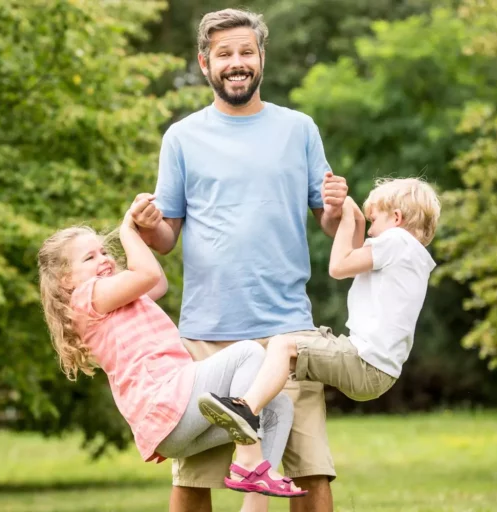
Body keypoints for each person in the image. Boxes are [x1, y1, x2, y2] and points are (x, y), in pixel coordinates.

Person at [129, 8, 347, 512]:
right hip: (209, 336)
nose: (237, 63)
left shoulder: (300, 129)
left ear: (261, 58)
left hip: (288, 334)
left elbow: (330, 224)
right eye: (224, 54)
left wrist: (336, 209)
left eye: (246, 52)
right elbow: (166, 238)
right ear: (204, 64)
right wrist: (145, 222)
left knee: (311, 472)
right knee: (194, 479)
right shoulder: (182, 137)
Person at [37, 207, 308, 501]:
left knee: (277, 407)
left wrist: (138, 236)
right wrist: (127, 231)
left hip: (175, 422)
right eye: (90, 257)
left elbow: (157, 282)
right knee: (248, 353)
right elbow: (149, 274)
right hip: (166, 403)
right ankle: (248, 461)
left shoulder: (113, 296)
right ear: (65, 280)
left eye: (104, 252)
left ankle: (254, 501)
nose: (104, 259)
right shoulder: (87, 297)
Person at [197, 178, 441, 442]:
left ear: (396, 218)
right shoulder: (410, 255)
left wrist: (348, 218)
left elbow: (339, 267)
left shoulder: (396, 242)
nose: (371, 232)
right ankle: (254, 429)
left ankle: (246, 410)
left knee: (282, 346)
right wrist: (356, 220)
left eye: (374, 222)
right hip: (376, 369)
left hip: (365, 362)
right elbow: (354, 258)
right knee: (283, 357)